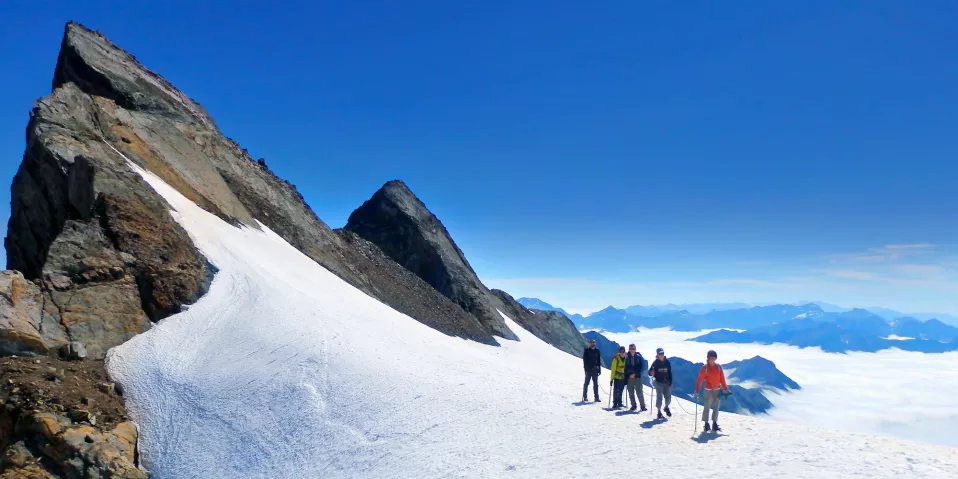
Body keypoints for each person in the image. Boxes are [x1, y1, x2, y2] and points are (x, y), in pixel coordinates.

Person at [695, 350, 731, 432]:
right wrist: (697, 390)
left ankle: (714, 423)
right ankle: (706, 424)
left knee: (716, 407)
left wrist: (726, 389)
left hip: (717, 389)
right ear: (708, 358)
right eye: (710, 358)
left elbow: (722, 379)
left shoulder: (719, 367)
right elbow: (699, 380)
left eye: (713, 358)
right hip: (708, 390)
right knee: (707, 407)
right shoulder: (705, 368)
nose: (712, 359)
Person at [648, 347, 673, 419]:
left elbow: (669, 372)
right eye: (660, 353)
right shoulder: (655, 363)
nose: (661, 355)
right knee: (659, 397)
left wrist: (670, 382)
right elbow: (649, 372)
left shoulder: (667, 362)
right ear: (657, 354)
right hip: (658, 382)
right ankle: (659, 412)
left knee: (668, 397)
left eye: (662, 353)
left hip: (666, 382)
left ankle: (666, 407)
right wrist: (651, 373)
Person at [624, 344, 646, 412]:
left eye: (633, 348)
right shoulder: (627, 358)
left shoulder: (639, 357)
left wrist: (636, 374)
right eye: (631, 348)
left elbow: (643, 366)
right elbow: (625, 368)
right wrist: (628, 375)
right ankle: (633, 406)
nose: (632, 350)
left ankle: (642, 406)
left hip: (638, 377)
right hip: (630, 377)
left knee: (639, 392)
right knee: (631, 392)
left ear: (635, 349)